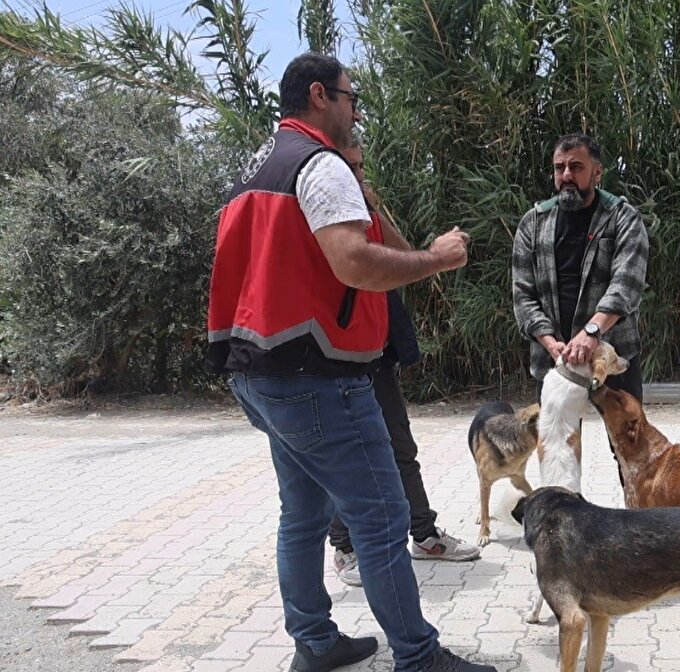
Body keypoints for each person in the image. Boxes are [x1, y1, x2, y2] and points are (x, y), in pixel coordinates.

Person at [206, 52, 495, 672]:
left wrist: (363, 196)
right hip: (321, 376)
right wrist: (440, 259)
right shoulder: (318, 164)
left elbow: (365, 246)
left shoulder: (258, 169)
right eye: (350, 97)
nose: (356, 110)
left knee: (304, 513)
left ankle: (313, 643)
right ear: (320, 95)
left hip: (259, 374)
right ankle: (418, 656)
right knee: (384, 516)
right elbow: (358, 264)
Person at [327, 138, 481, 590]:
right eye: (349, 169)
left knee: (400, 445)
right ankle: (345, 546)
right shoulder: (325, 220)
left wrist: (373, 207)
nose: (357, 177)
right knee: (343, 455)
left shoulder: (361, 209)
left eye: (360, 167)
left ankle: (424, 533)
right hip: (336, 355)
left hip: (377, 348)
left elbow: (407, 254)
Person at [511, 131, 649, 404]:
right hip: (554, 358)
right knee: (557, 445)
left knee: (630, 444)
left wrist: (591, 333)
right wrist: (551, 343)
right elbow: (523, 295)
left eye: (576, 167)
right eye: (559, 168)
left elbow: (626, 285)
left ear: (597, 173)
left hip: (612, 354)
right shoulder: (533, 223)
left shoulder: (623, 218)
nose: (566, 176)